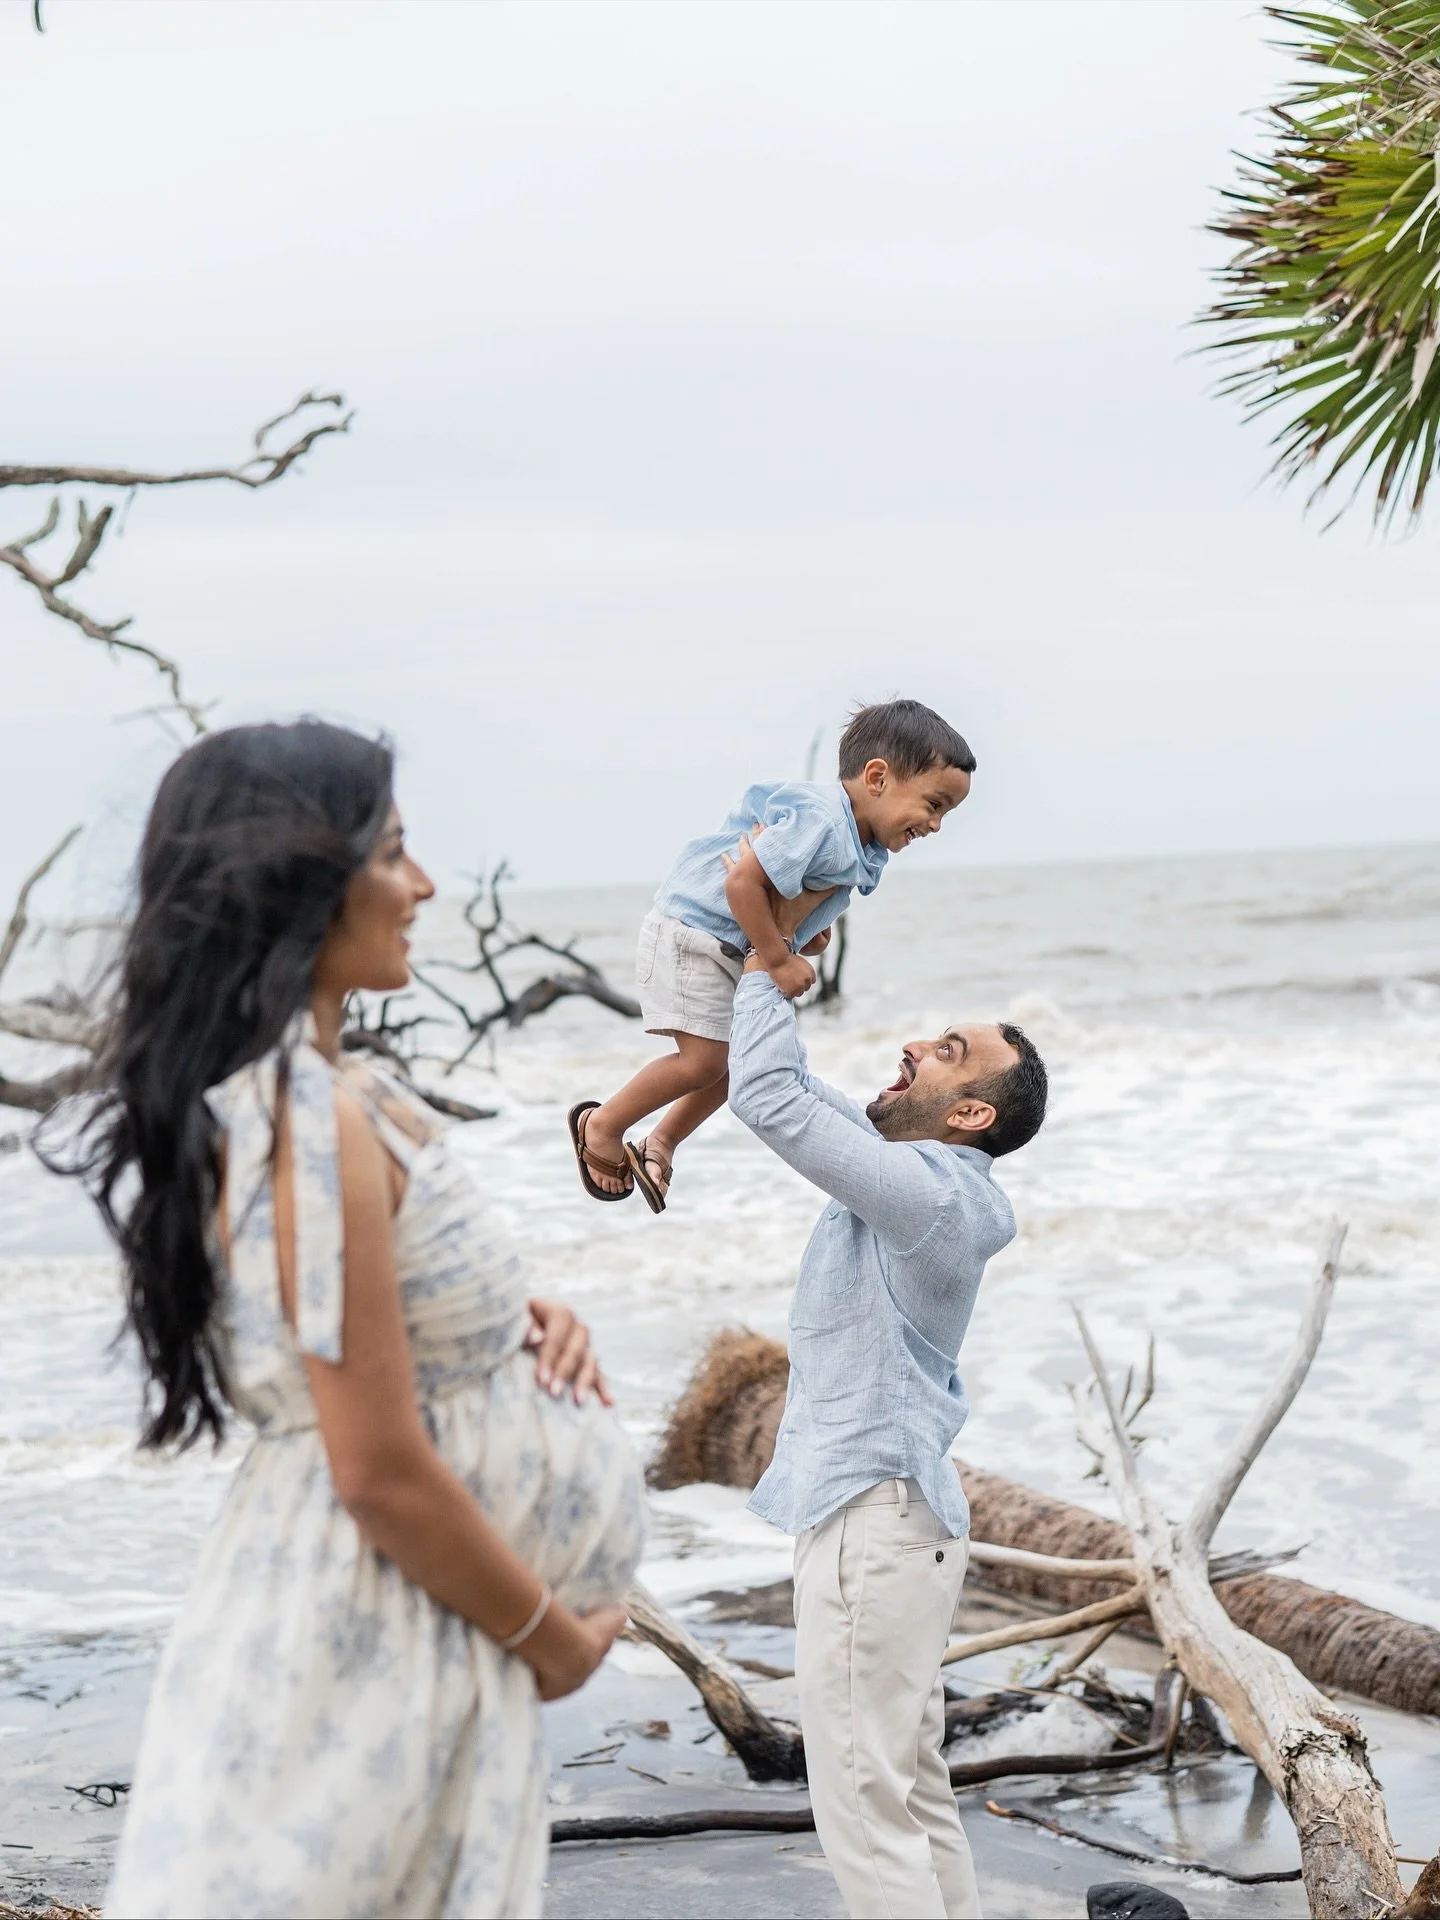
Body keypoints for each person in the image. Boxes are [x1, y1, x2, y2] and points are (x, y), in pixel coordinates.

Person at [48, 720, 646, 1919]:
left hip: (393, 1623)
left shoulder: (328, 1097)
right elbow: (374, 1469)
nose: (423, 886)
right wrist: (554, 1644)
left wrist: (506, 1326)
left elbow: (359, 1319)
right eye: (396, 854)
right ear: (300, 879)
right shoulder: (306, 1114)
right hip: (367, 1629)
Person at [726, 952, 1047, 1920]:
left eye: (947, 1053)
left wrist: (760, 968)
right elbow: (794, 1093)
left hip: (875, 1525)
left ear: (970, 1114)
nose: (913, 1044)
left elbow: (770, 1099)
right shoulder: (926, 1185)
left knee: (864, 1803)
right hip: (896, 1524)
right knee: (906, 1784)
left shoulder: (931, 1197)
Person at [568, 698, 976, 1213]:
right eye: (934, 805)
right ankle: (602, 1124)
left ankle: (662, 1141)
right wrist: (778, 960)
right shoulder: (823, 820)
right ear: (877, 778)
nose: (936, 825)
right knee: (703, 1063)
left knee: (736, 1065)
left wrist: (807, 937)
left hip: (727, 943)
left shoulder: (861, 841)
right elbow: (742, 883)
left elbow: (793, 898)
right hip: (694, 933)